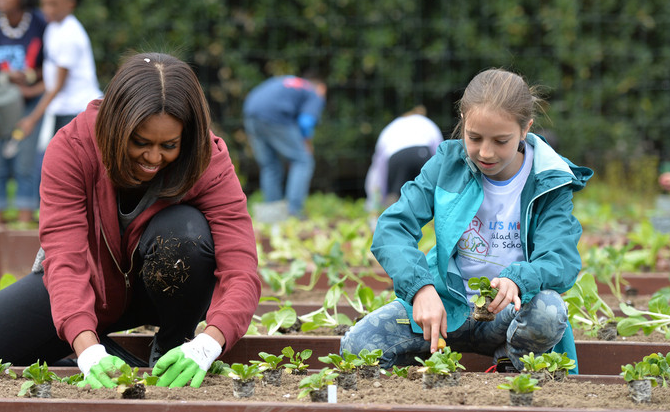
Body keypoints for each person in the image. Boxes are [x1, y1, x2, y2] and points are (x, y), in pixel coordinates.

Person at [0, 52, 262, 390]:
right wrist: (87, 348)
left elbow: (240, 267)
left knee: (185, 232)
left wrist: (208, 344)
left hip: (165, 291)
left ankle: (172, 345)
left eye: (168, 145)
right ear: (115, 126)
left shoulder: (207, 159)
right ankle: (96, 354)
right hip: (86, 287)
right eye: (139, 142)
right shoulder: (73, 147)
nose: (154, 157)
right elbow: (65, 258)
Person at [341, 68, 593, 373]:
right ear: (463, 119)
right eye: (474, 137)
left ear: (525, 129)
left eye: (501, 141)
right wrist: (421, 288)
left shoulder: (549, 181)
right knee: (358, 346)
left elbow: (560, 259)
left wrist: (518, 280)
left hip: (509, 314)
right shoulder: (446, 166)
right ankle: (425, 368)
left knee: (548, 311)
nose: (485, 152)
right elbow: (392, 228)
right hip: (447, 309)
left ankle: (511, 361)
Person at [0, 0, 47, 225]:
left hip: (30, 103)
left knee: (25, 164)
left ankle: (23, 225)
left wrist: (29, 83)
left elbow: (53, 69)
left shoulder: (41, 23)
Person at [16, 0, 101, 170]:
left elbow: (57, 86)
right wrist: (28, 89)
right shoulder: (53, 28)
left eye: (53, 4)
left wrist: (32, 119)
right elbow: (51, 78)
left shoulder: (70, 35)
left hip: (78, 112)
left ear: (70, 4)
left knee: (69, 168)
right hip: (63, 110)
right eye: (44, 5)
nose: (47, 9)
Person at [243, 73, 327, 218]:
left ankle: (273, 215)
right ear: (320, 87)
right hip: (274, 115)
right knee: (303, 160)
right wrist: (306, 144)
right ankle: (293, 211)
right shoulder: (314, 92)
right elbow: (306, 122)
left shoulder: (290, 82)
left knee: (270, 165)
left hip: (250, 113)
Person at [364, 105, 443, 213]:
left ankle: (392, 222)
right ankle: (433, 224)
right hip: (422, 152)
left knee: (395, 199)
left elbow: (379, 168)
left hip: (396, 156)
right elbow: (439, 152)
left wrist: (375, 201)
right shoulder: (426, 122)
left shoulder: (391, 127)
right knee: (429, 194)